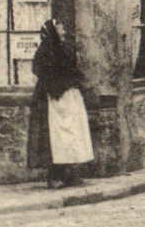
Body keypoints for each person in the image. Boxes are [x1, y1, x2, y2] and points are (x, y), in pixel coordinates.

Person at [27, 19, 95, 188]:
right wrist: (56, 87)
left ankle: (69, 174)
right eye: (60, 29)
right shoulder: (46, 52)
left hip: (69, 97)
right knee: (56, 137)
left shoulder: (64, 50)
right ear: (53, 32)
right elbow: (39, 70)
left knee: (72, 134)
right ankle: (54, 176)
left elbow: (72, 70)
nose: (63, 32)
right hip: (53, 100)